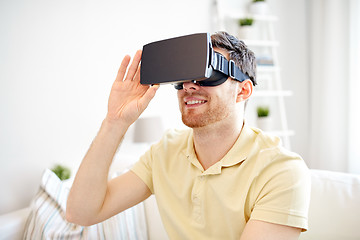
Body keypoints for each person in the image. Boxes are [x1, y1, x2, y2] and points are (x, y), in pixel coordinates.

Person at [66, 31, 311, 240]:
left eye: (208, 73)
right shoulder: (165, 152)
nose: (189, 86)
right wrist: (115, 122)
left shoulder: (281, 170)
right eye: (183, 77)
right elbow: (82, 213)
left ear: (243, 90)